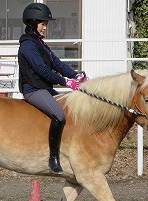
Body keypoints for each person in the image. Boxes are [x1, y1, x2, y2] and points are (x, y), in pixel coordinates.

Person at [18, 3, 88, 174]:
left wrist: (75, 75)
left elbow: (56, 64)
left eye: (45, 24)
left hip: (44, 88)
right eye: (42, 24)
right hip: (33, 89)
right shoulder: (28, 46)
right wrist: (66, 82)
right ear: (32, 23)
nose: (44, 28)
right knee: (59, 114)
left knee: (70, 111)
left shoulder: (39, 43)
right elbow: (42, 70)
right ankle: (53, 158)